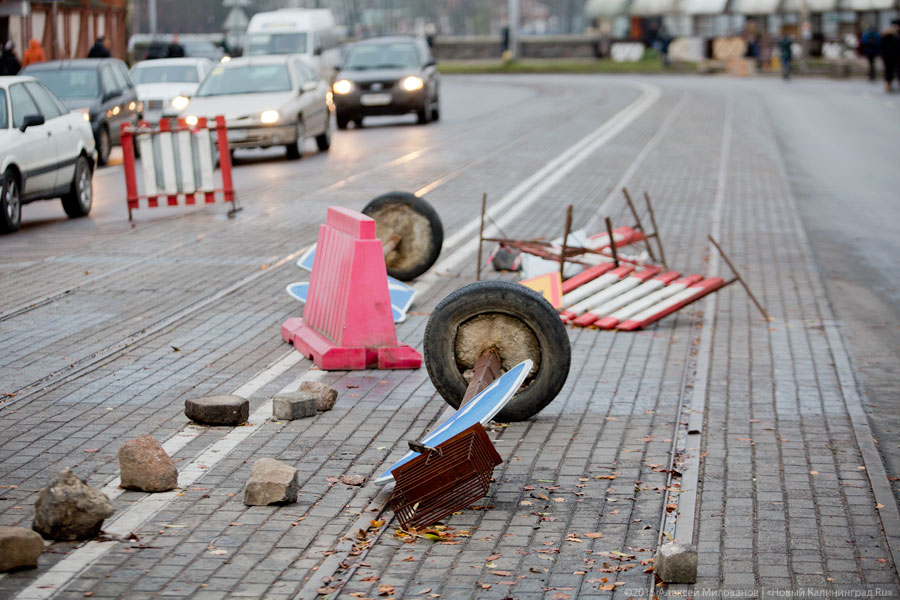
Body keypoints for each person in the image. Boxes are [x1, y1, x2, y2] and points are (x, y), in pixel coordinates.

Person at [883, 21, 900, 92]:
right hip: (895, 57)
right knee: (896, 70)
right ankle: (889, 84)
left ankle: (888, 84)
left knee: (888, 71)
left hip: (887, 57)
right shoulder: (896, 38)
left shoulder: (884, 39)